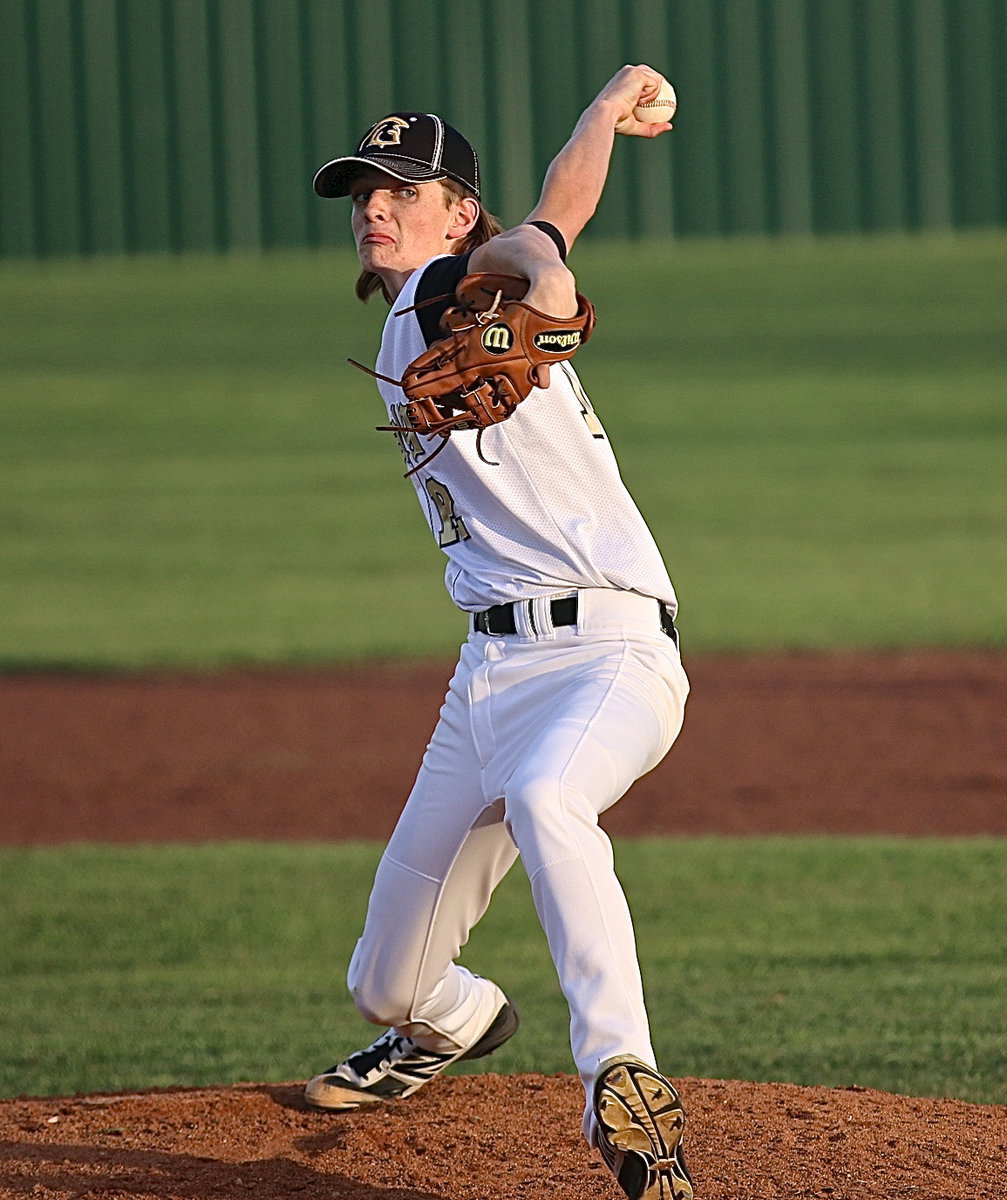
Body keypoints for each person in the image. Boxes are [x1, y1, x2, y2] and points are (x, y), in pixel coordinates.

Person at [305, 65, 694, 1200]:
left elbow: (530, 250)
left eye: (401, 189)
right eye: (362, 193)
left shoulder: (451, 282)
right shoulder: (431, 306)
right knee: (387, 985)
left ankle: (623, 1080)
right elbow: (554, 211)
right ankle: (454, 1024)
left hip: (609, 653)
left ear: (452, 212)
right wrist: (604, 105)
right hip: (483, 676)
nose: (374, 208)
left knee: (548, 799)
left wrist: (552, 284)